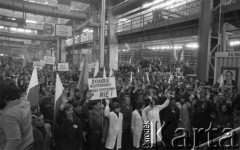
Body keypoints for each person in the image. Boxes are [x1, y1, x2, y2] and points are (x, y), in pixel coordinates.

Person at [0, 81, 34, 150]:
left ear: (4, 98)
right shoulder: (25, 102)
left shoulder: (9, 115)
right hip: (29, 144)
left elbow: (14, 141)